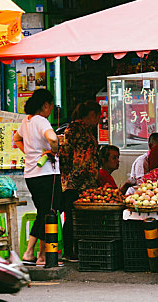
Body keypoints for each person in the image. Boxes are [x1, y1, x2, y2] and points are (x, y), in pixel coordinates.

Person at [13, 89, 61, 267]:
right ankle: (29, 251)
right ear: (46, 105)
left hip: (31, 175)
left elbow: (16, 138)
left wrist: (29, 153)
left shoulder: (27, 121)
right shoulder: (42, 121)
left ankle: (42, 255)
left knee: (45, 212)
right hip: (46, 175)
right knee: (48, 212)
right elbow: (53, 138)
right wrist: (53, 151)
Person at [59, 100, 101, 262]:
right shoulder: (78, 130)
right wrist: (74, 179)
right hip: (77, 182)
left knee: (76, 217)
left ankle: (76, 250)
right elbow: (74, 157)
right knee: (73, 217)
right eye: (98, 116)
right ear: (92, 115)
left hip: (80, 181)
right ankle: (70, 251)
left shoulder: (80, 129)